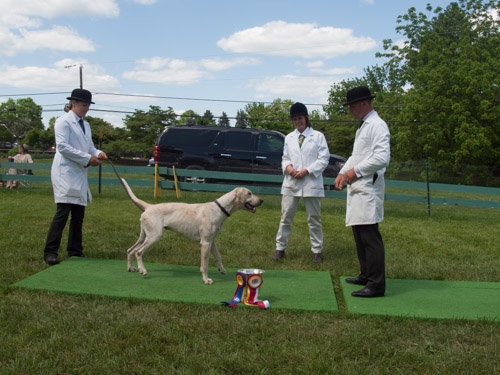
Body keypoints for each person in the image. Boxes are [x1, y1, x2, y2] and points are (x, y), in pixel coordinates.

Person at [334, 86, 390, 298]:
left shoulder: (378, 125)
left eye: (352, 106)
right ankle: (366, 274)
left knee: (369, 237)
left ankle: (376, 285)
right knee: (359, 233)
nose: (350, 110)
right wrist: (342, 173)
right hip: (359, 186)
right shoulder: (364, 126)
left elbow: (381, 159)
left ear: (364, 103)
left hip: (368, 187)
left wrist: (353, 172)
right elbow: (357, 154)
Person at [43, 88, 108, 265]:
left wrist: (99, 153)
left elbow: (90, 147)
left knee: (79, 214)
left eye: (88, 105)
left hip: (79, 173)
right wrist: (88, 158)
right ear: (74, 103)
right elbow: (62, 147)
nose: (86, 108)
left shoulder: (85, 125)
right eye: (84, 105)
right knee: (62, 213)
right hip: (66, 172)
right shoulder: (63, 122)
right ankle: (50, 252)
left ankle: (75, 250)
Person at [273, 102, 330, 263]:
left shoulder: (318, 136)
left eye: (300, 118)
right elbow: (285, 159)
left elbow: (324, 158)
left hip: (311, 182)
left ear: (306, 118)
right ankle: (280, 249)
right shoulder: (289, 138)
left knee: (314, 218)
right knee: (286, 217)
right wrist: (289, 169)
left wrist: (306, 170)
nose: (298, 121)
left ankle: (317, 251)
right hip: (292, 182)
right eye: (295, 119)